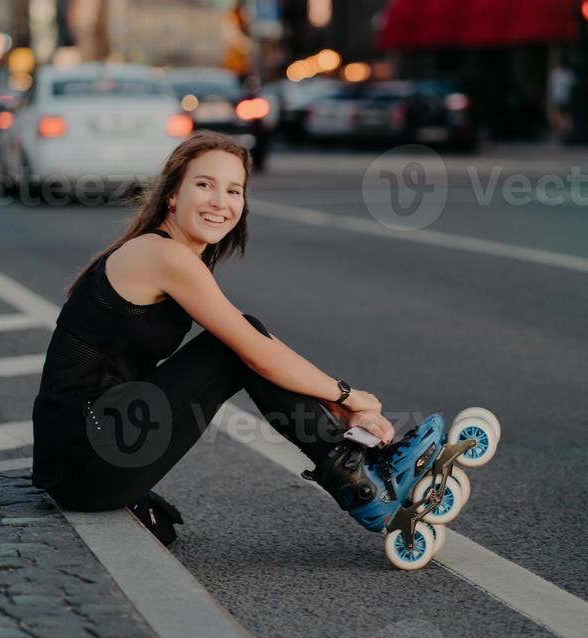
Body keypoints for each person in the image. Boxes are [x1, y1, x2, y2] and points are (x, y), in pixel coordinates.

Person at [31, 130, 396, 516]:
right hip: (84, 462)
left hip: (91, 451)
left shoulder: (173, 255)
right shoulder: (162, 256)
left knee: (241, 338)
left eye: (233, 190)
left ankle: (352, 465)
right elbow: (256, 354)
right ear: (173, 195)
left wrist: (338, 402)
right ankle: (358, 480)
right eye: (204, 185)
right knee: (232, 349)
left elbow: (257, 340)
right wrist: (349, 397)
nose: (220, 202)